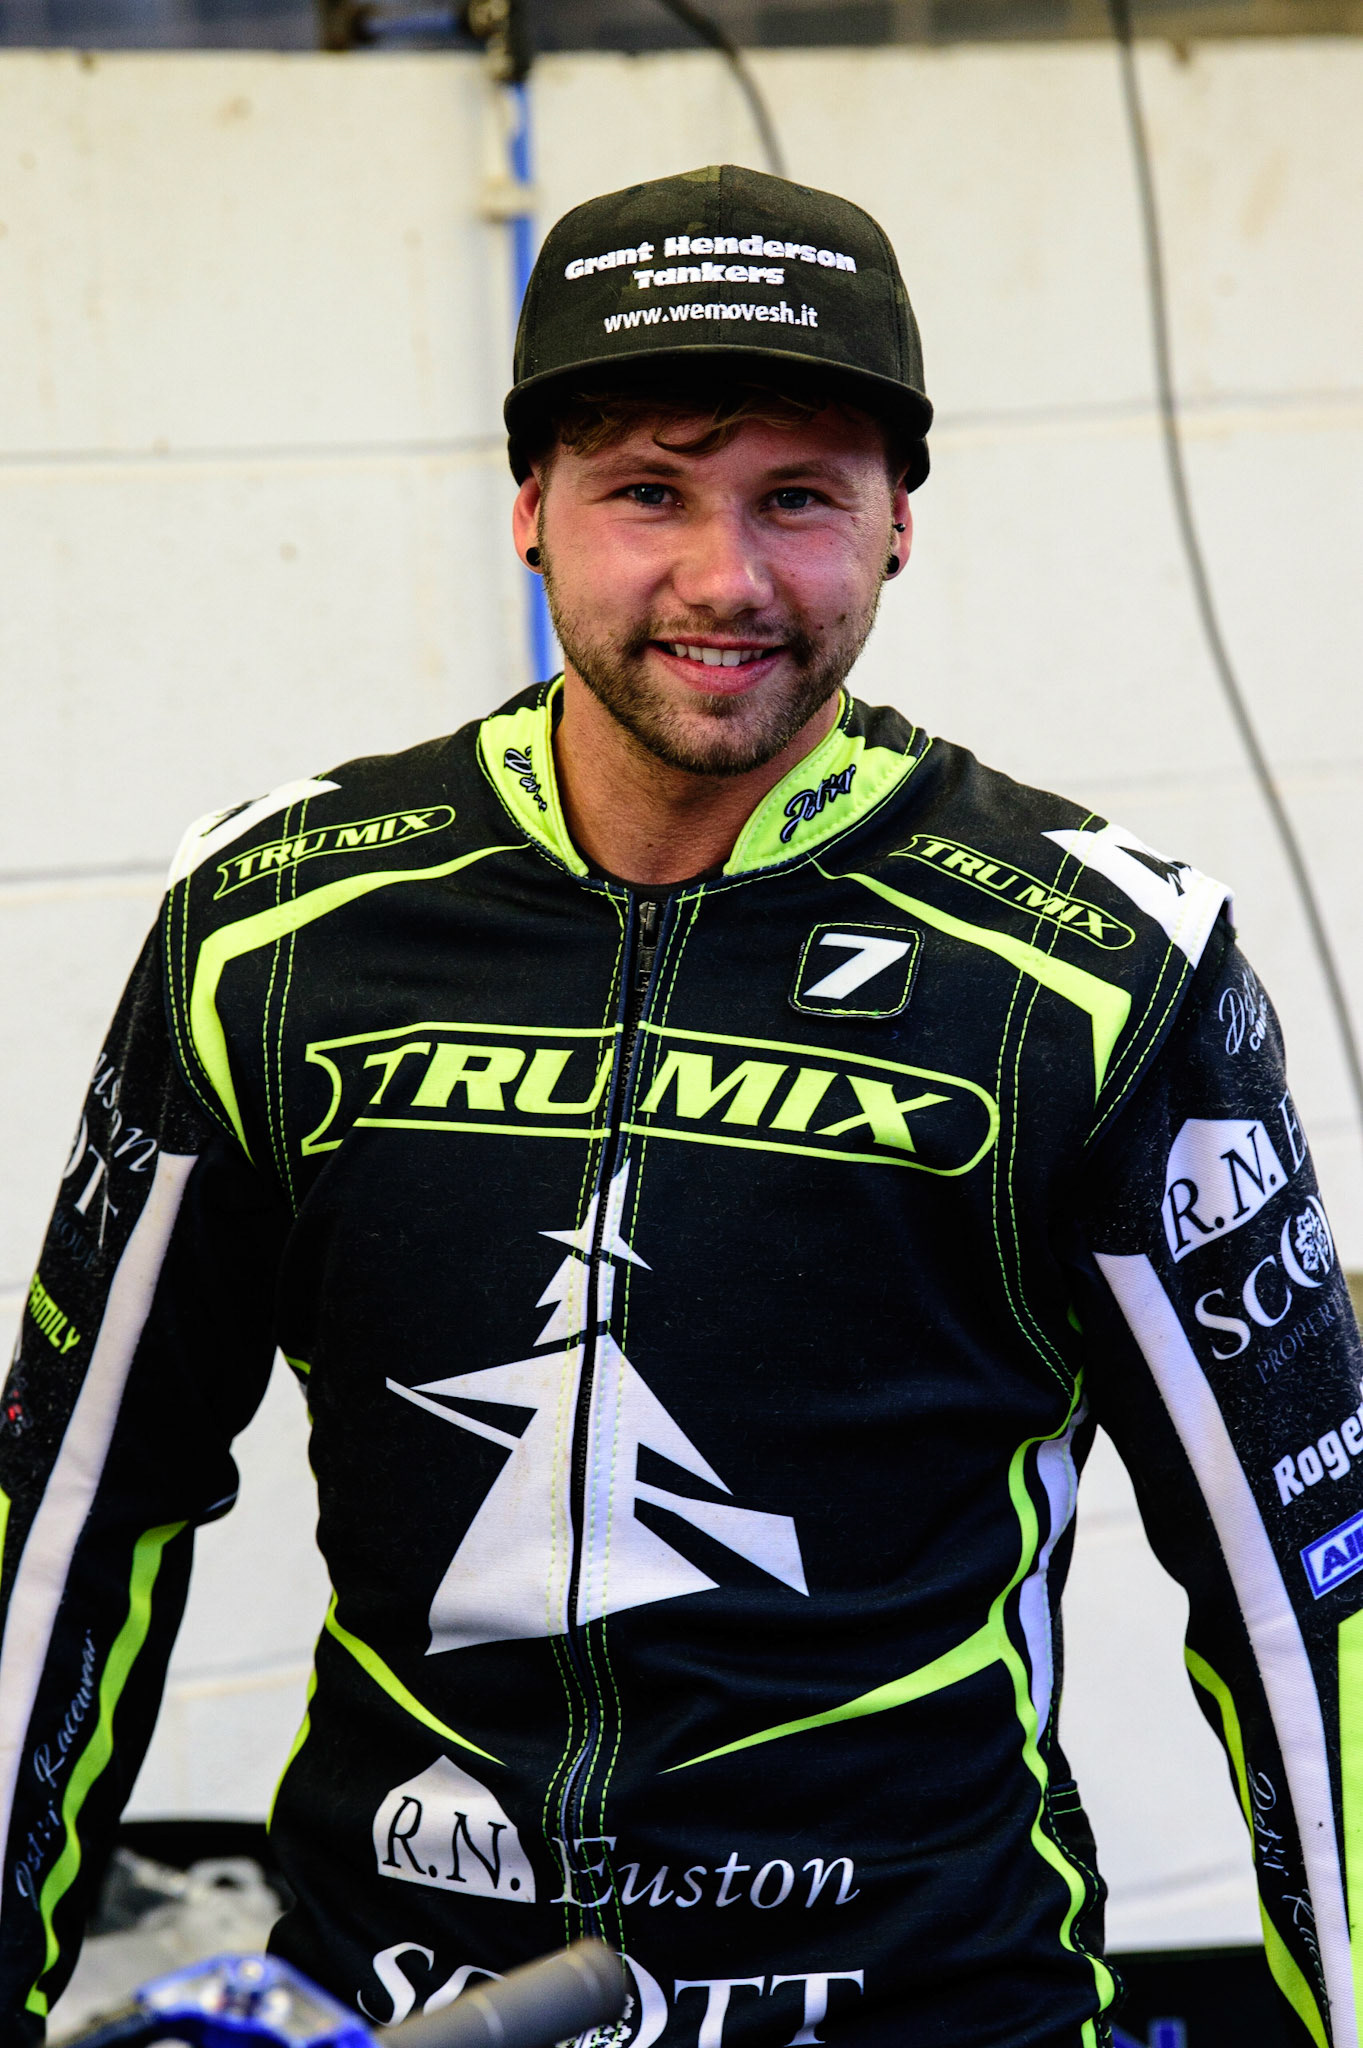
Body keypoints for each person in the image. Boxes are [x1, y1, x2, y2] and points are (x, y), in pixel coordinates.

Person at [0, 162, 1358, 2048]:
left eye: (799, 496)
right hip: (403, 2002)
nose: (726, 580)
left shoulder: (1104, 972)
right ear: (528, 509)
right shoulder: (276, 927)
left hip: (927, 2008)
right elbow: (70, 1522)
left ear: (899, 523)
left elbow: (1306, 1599)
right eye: (649, 490)